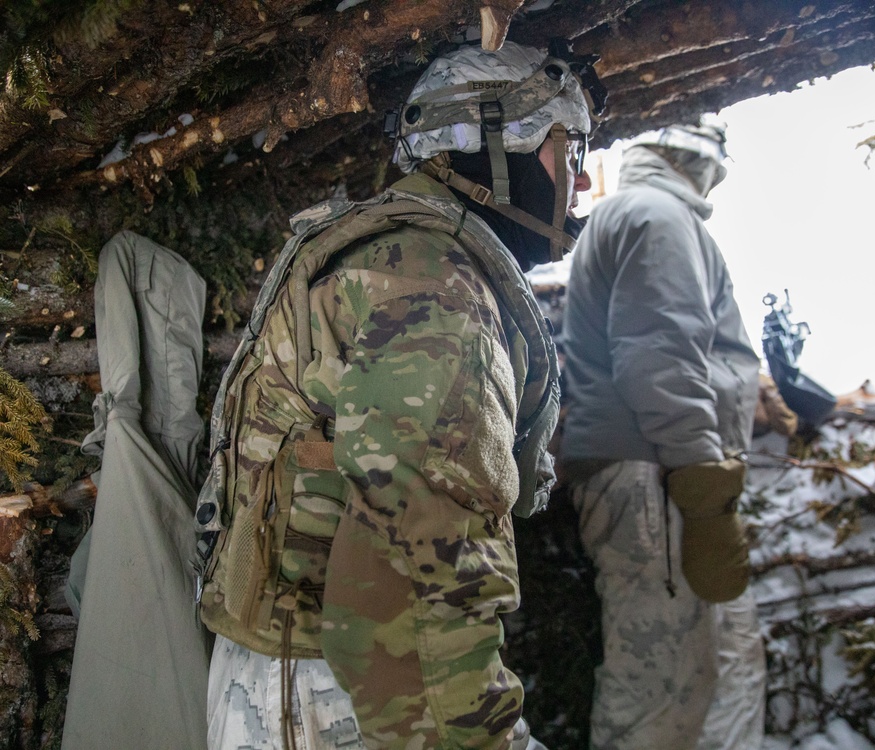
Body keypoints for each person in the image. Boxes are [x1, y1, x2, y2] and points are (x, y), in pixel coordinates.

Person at [194, 38, 602, 750]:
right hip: (339, 696)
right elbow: (411, 575)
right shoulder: (433, 286)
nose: (584, 183)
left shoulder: (400, 258)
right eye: (570, 154)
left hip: (300, 678)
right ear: (497, 147)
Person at [560, 122, 767, 750]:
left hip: (665, 471)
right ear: (691, 156)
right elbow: (659, 359)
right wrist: (703, 487)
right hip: (660, 475)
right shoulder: (657, 216)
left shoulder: (644, 215)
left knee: (724, 665)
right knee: (658, 694)